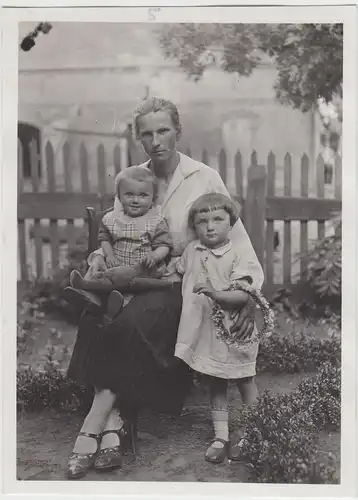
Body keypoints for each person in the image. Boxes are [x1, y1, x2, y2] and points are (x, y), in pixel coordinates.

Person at [66, 97, 264, 479]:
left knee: (129, 323)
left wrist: (249, 295)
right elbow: (118, 226)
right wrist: (104, 259)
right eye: (147, 134)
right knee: (95, 318)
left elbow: (235, 240)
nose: (156, 141)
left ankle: (96, 424)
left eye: (163, 131)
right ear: (137, 138)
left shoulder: (203, 177)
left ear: (178, 132)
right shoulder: (134, 177)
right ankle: (114, 424)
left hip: (179, 284)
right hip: (131, 277)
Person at [175, 192, 260, 463]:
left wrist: (215, 293)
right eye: (202, 221)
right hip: (207, 333)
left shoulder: (238, 253)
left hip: (235, 330)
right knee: (215, 379)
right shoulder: (193, 251)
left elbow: (242, 295)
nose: (210, 226)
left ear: (231, 223)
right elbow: (175, 271)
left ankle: (251, 432)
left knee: (245, 379)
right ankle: (221, 435)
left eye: (217, 219)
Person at [64, 165, 173, 319]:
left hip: (140, 270)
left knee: (132, 291)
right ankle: (87, 292)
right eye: (129, 194)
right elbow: (105, 239)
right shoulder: (112, 219)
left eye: (143, 195)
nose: (135, 200)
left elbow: (164, 245)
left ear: (153, 198)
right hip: (116, 265)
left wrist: (154, 256)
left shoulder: (156, 221)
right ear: (119, 197)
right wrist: (109, 256)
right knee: (99, 268)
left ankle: (116, 306)